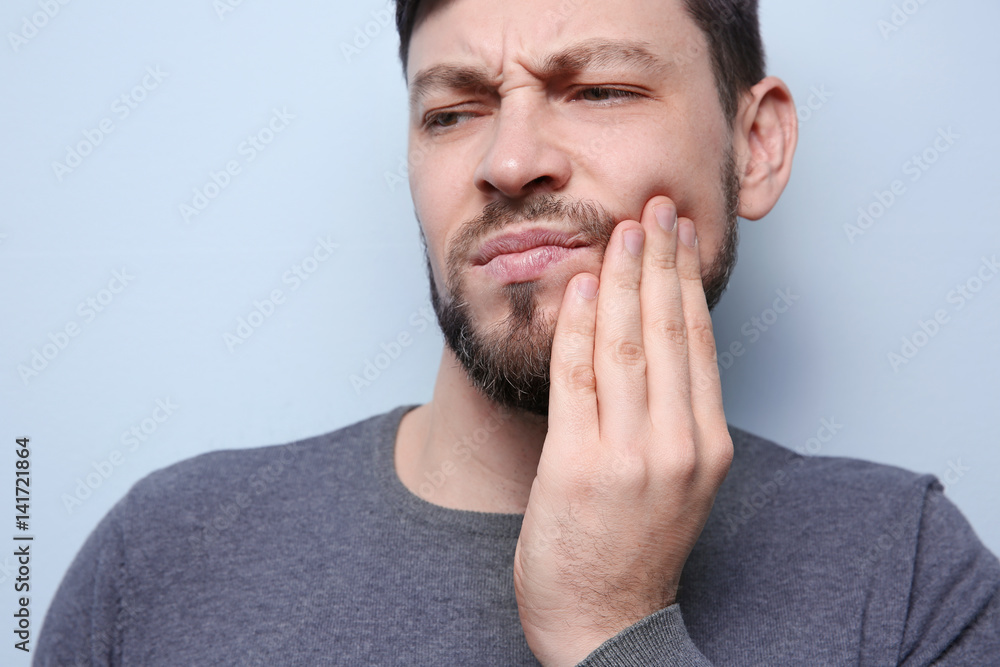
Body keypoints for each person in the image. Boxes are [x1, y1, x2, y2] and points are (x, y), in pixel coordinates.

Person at [36, 0, 999, 664]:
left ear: (755, 147)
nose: (509, 160)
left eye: (599, 90)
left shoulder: (905, 569)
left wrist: (615, 632)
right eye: (453, 112)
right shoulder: (163, 553)